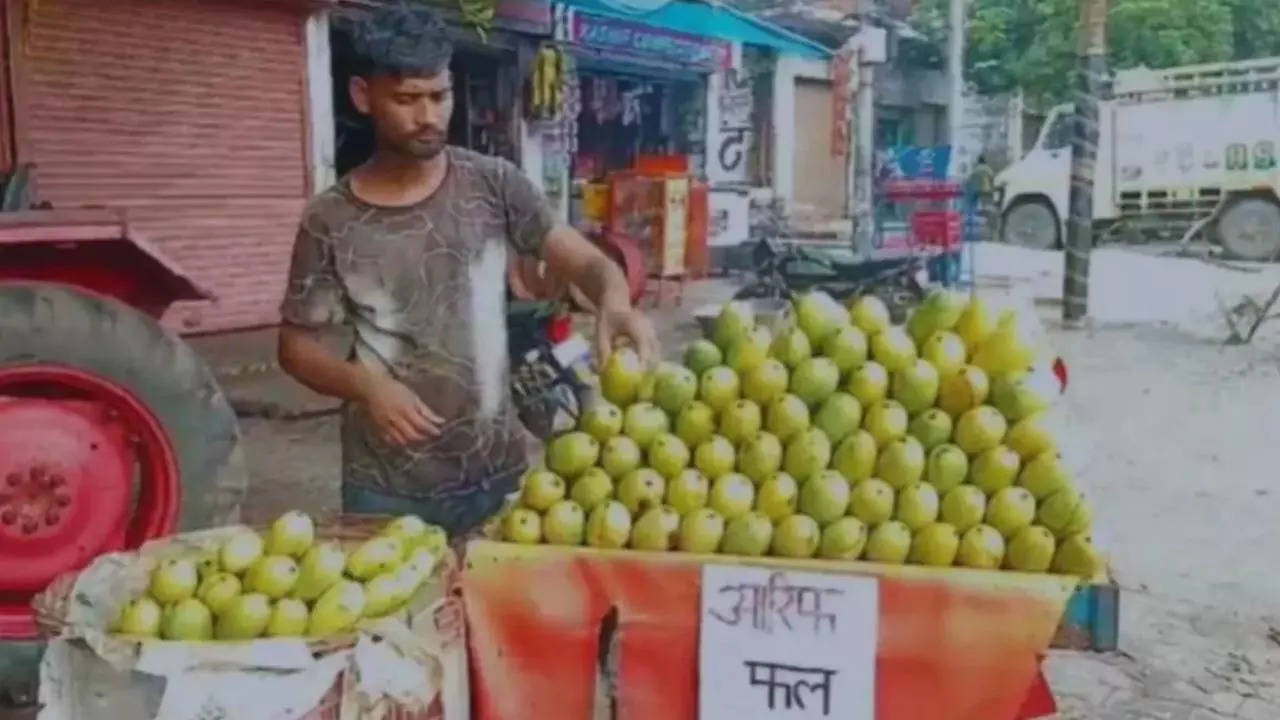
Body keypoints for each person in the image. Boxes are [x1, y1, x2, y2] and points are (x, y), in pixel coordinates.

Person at [276, 4, 658, 539]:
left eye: (440, 95)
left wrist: (615, 300)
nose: (428, 116)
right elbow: (295, 347)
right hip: (384, 483)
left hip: (496, 474)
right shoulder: (331, 218)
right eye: (407, 99)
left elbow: (585, 260)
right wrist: (365, 386)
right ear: (364, 96)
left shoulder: (494, 184)